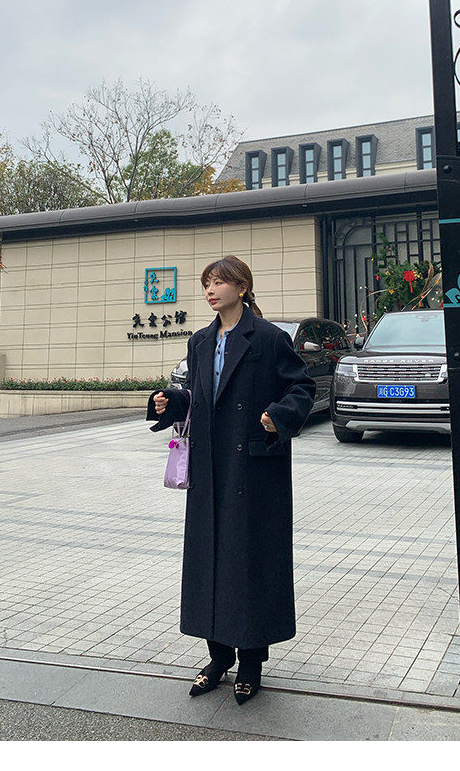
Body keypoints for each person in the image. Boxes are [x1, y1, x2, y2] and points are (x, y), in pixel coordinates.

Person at [147, 255, 315, 705]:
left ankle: (251, 663)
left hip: (253, 470)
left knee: (249, 563)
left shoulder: (269, 338)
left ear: (242, 288)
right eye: (207, 282)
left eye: (219, 282)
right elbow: (201, 397)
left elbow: (302, 388)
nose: (210, 289)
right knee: (211, 562)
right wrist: (172, 401)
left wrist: (278, 416)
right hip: (210, 468)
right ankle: (218, 658)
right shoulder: (201, 341)